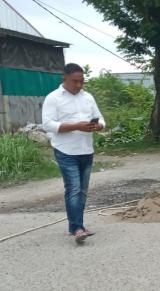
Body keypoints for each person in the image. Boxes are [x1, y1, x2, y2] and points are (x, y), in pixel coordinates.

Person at [42, 63, 105, 244]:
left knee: (83, 191)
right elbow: (47, 124)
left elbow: (101, 119)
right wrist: (76, 126)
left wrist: (98, 126)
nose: (78, 85)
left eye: (81, 82)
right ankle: (77, 228)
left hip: (86, 149)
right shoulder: (53, 98)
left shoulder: (88, 97)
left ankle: (76, 226)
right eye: (75, 81)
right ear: (65, 78)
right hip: (65, 150)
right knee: (73, 189)